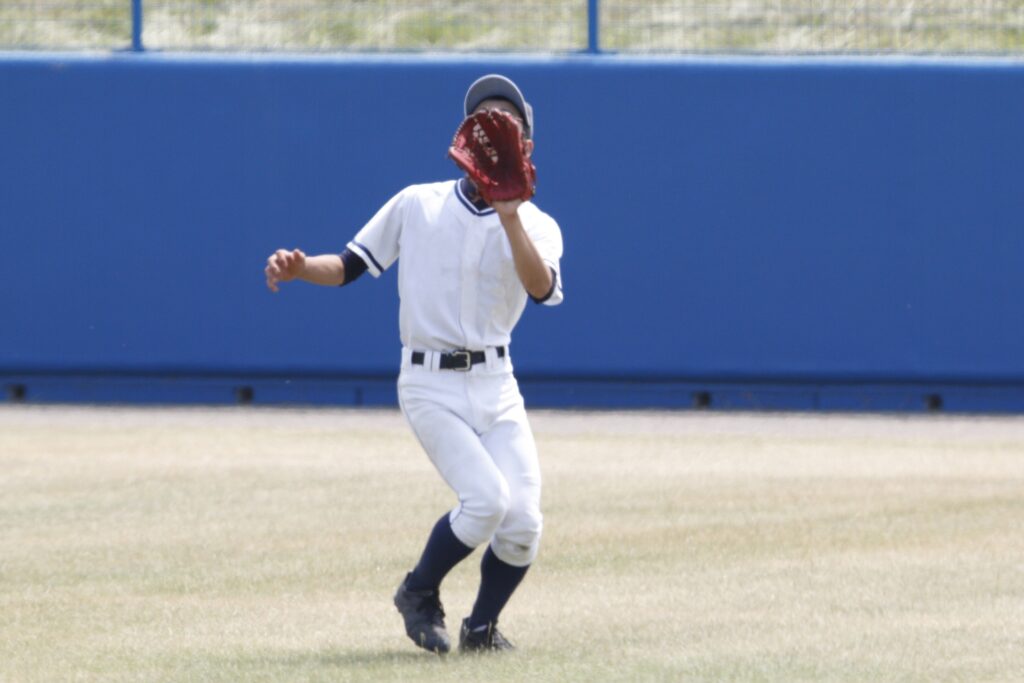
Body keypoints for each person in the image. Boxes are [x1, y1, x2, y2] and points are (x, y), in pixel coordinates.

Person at [264, 74, 564, 654]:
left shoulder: (540, 225)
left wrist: (509, 215)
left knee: (523, 521)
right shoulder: (417, 202)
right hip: (429, 382)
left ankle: (480, 629)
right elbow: (351, 264)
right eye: (487, 121)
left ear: (528, 143)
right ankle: (418, 591)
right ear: (466, 136)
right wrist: (302, 268)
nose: (498, 131)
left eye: (510, 124)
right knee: (486, 502)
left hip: (497, 383)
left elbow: (539, 287)